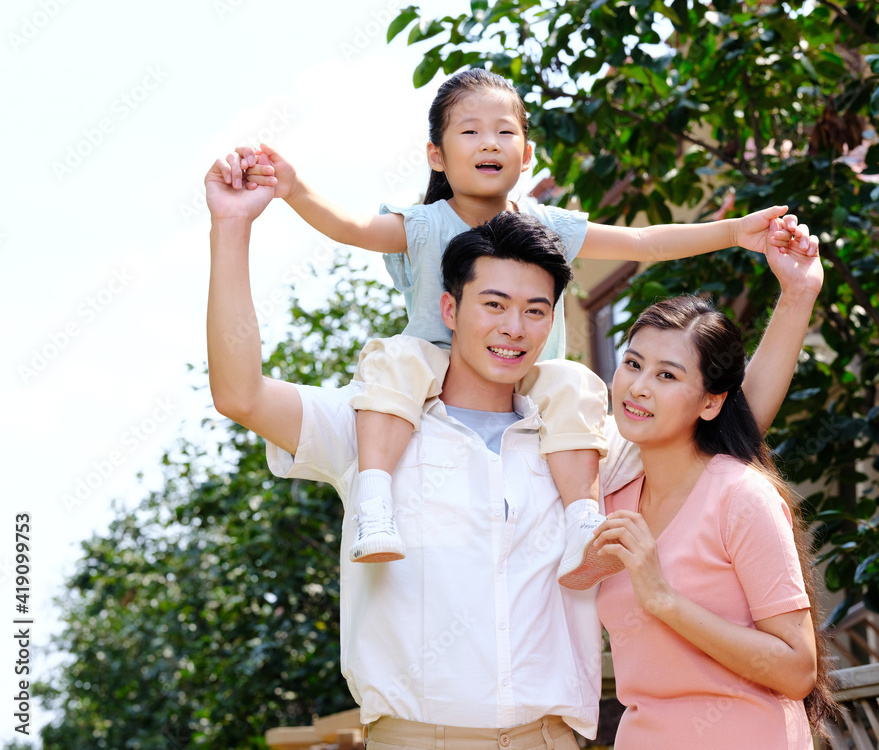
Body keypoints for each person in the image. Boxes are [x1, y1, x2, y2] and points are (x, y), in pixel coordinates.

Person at [204, 148, 823, 745]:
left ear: (553, 321)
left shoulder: (584, 446)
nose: (513, 328)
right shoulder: (373, 427)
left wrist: (796, 296)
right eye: (493, 305)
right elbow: (241, 395)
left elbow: (727, 422)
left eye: (534, 310)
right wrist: (232, 228)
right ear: (449, 308)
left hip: (551, 740)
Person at [220, 67, 819, 589]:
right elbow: (349, 227)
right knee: (395, 361)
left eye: (506, 131)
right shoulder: (424, 224)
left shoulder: (546, 227)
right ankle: (375, 499)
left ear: (527, 153)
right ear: (436, 154)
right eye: (471, 131)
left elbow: (641, 241)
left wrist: (736, 230)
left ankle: (583, 522)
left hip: (533, 384)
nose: (490, 142)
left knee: (576, 385)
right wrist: (291, 188)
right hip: (431, 369)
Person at [592, 293, 839, 748]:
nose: (639, 386)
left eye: (666, 374)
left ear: (710, 403)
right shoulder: (608, 497)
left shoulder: (741, 496)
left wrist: (663, 599)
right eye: (632, 363)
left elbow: (797, 669)